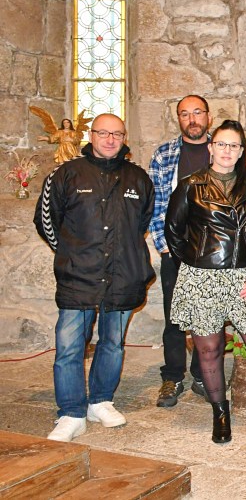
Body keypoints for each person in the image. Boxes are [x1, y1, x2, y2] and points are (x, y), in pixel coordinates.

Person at [165, 120, 246, 445]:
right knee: (209, 350)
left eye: (234, 146)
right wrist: (197, 263)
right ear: (211, 148)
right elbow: (173, 231)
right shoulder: (190, 185)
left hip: (245, 278)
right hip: (203, 278)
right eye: (222, 144)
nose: (227, 151)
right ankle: (220, 413)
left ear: (241, 152)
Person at [34, 113, 156, 442]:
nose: (110, 139)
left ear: (124, 137)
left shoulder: (138, 178)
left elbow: (141, 223)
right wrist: (71, 252)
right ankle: (71, 412)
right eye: (103, 132)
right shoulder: (65, 174)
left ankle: (101, 401)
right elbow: (47, 222)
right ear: (91, 134)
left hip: (122, 276)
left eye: (117, 133)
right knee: (69, 346)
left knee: (113, 344)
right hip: (78, 276)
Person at [149, 94, 212, 407]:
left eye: (197, 112)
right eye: (185, 114)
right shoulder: (164, 154)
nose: (192, 119)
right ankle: (172, 377)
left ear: (208, 116)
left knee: (207, 318)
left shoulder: (222, 151)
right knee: (174, 318)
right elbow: (156, 204)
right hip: (176, 251)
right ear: (179, 119)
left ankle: (202, 376)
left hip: (214, 254)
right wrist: (165, 248)